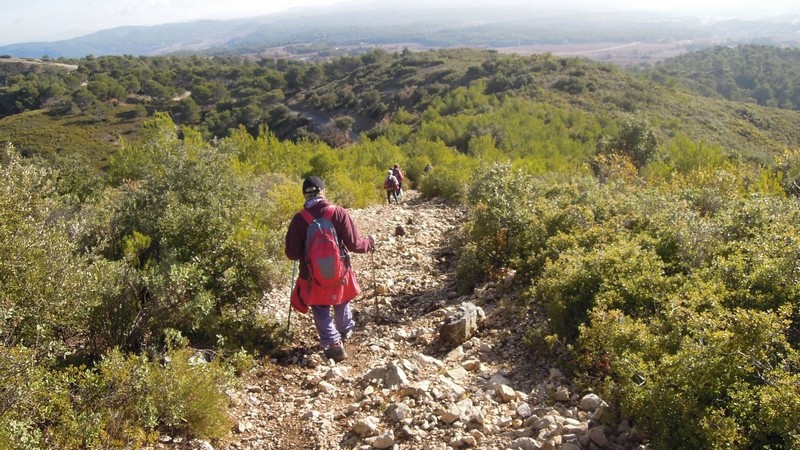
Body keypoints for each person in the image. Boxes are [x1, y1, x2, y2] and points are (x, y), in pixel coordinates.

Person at [285, 176, 375, 362]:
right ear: (323, 191)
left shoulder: (299, 219)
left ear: (304, 194)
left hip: (311, 276)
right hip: (339, 272)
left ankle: (333, 344)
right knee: (341, 299)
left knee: (320, 308)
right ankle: (345, 329)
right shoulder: (339, 213)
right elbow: (355, 245)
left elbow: (292, 254)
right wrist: (370, 243)